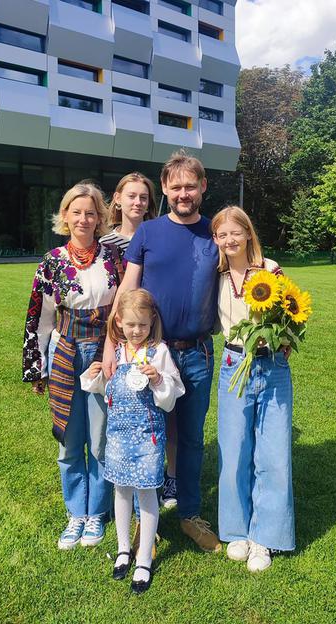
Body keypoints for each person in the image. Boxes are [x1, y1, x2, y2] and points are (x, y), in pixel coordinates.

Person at [103, 150, 221, 553]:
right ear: (165, 190)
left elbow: (246, 262)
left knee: (189, 438)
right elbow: (125, 294)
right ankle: (141, 522)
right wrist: (110, 345)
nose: (183, 193)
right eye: (176, 187)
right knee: (145, 436)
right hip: (148, 355)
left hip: (198, 354)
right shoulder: (148, 233)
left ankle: (189, 514)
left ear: (203, 187)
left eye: (191, 185)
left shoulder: (214, 232)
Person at [22, 182, 122, 550]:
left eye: (91, 212)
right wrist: (38, 366)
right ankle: (74, 513)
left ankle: (96, 511)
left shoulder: (113, 258)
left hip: (102, 351)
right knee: (68, 437)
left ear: (100, 218)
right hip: (64, 351)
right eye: (76, 211)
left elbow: (123, 309)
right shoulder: (52, 262)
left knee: (99, 438)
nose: (84, 218)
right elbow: (40, 316)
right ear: (65, 215)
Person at [81, 289, 184, 593]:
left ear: (152, 322)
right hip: (118, 438)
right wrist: (94, 374)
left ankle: (143, 559)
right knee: (121, 492)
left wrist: (157, 380)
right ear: (119, 324)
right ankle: (123, 548)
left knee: (147, 494)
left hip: (147, 439)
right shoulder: (117, 353)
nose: (136, 331)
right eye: (130, 325)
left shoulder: (160, 352)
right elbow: (103, 391)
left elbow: (169, 400)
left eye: (142, 325)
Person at [211, 205, 294, 572]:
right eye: (221, 234)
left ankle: (266, 537)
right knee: (234, 449)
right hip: (233, 365)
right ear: (216, 239)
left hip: (272, 365)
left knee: (273, 453)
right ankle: (237, 531)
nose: (229, 240)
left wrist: (284, 338)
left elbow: (290, 315)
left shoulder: (271, 270)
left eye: (235, 232)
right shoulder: (215, 275)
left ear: (248, 233)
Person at [99, 172, 157, 260]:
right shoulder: (105, 243)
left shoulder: (158, 238)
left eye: (143, 197)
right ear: (117, 198)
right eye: (131, 196)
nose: (138, 202)